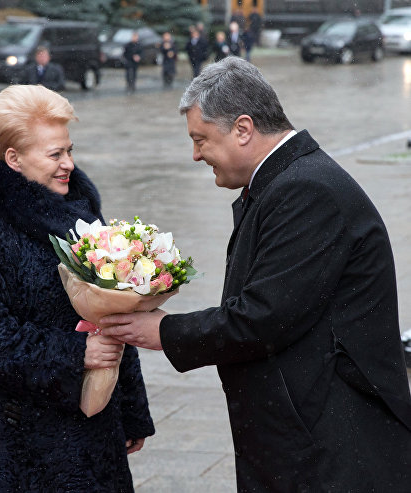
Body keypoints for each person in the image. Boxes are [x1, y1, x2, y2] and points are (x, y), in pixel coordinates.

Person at [101, 56, 411, 491]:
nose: (195, 155)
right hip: (309, 437)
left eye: (201, 139)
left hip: (334, 448)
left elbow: (265, 317)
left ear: (243, 129)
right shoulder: (285, 180)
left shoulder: (307, 189)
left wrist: (164, 331)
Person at [0, 84, 155, 491]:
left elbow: (113, 316)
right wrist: (76, 353)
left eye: (69, 150)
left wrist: (129, 409)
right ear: (13, 159)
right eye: (55, 154)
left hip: (88, 432)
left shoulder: (83, 219)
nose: (69, 164)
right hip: (5, 441)